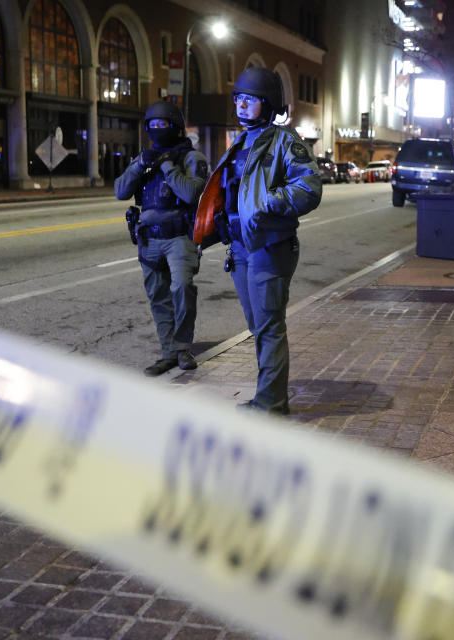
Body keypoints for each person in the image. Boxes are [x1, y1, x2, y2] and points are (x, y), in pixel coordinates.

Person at [207, 67, 322, 414]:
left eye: (251, 99)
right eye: (238, 98)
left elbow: (310, 188)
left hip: (269, 247)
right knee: (258, 325)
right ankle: (267, 394)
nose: (242, 105)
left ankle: (271, 403)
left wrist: (269, 202)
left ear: (268, 103)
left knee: (269, 325)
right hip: (241, 247)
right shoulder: (239, 143)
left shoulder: (285, 141)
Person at [115, 101, 209, 376]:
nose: (157, 130)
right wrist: (139, 166)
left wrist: (168, 167)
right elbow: (120, 191)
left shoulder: (192, 159)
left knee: (182, 289)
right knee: (158, 297)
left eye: (162, 125)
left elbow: (190, 194)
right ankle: (168, 353)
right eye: (152, 126)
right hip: (149, 240)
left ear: (176, 128)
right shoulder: (146, 157)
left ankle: (182, 349)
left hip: (179, 237)